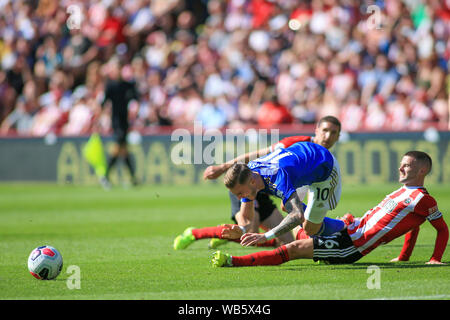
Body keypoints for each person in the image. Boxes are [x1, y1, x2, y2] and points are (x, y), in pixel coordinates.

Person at [211, 151, 448, 267]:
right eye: (402, 164)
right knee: (296, 225)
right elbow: (411, 222)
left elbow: (439, 227)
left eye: (407, 166)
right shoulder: (403, 193)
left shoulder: (421, 198)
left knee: (295, 243)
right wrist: (242, 229)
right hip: (351, 226)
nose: (401, 168)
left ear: (422, 171)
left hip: (348, 237)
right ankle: (339, 224)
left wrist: (436, 258)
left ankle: (234, 262)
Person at [173, 116, 342, 250]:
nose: (328, 136)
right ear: (316, 130)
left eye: (333, 133)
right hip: (256, 184)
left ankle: (339, 228)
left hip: (295, 178)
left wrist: (264, 234)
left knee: (290, 232)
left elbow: (295, 214)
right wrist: (243, 230)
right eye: (325, 130)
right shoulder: (293, 143)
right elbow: (256, 155)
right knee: (253, 230)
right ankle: (195, 234)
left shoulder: (277, 176)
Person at [99, 58, 139, 189]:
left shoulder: (127, 85)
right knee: (120, 147)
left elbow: (135, 98)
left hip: (125, 121)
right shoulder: (111, 86)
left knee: (124, 150)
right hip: (116, 121)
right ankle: (105, 175)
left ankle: (132, 178)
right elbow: (103, 103)